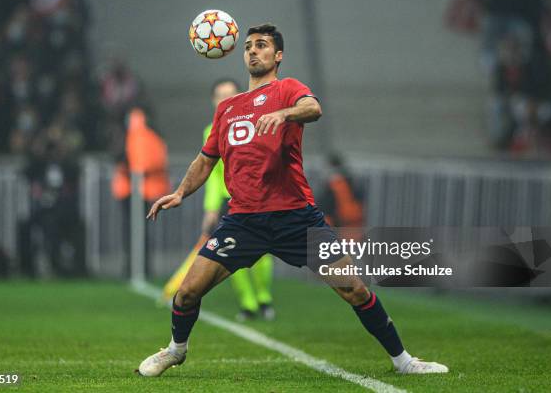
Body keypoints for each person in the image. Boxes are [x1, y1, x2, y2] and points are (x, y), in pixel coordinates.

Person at [138, 23, 448, 377]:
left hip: (296, 218)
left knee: (355, 290)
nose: (254, 51)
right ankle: (176, 351)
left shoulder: (287, 89)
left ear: (278, 55)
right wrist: (180, 192)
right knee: (188, 291)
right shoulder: (227, 109)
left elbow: (313, 108)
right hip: (244, 221)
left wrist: (285, 112)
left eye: (262, 45)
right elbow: (206, 160)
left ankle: (404, 361)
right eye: (249, 46)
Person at [202, 78, 274, 321]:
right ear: (213, 101)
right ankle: (248, 303)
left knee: (263, 254)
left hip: (258, 199)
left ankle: (264, 296)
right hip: (228, 202)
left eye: (231, 94)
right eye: (220, 95)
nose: (226, 99)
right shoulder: (209, 132)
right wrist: (211, 209)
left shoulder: (255, 123)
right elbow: (212, 175)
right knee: (230, 254)